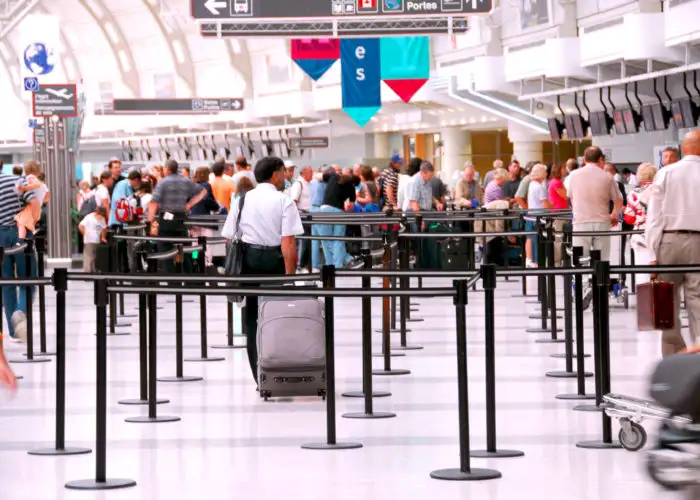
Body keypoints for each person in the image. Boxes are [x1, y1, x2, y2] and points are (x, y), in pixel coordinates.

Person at [221, 156, 304, 384]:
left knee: (251, 319)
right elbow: (288, 244)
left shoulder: (242, 199)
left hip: (248, 261)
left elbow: (229, 236)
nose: (286, 177)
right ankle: (277, 371)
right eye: (283, 172)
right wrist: (290, 278)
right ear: (275, 174)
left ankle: (259, 376)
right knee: (277, 315)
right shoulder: (283, 201)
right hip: (274, 260)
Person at [646, 130, 700, 356]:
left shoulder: (666, 172)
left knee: (666, 302)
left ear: (683, 148)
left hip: (669, 241)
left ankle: (672, 355)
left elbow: (654, 215)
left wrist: (651, 253)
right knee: (698, 301)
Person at [147, 159, 207, 272]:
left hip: (166, 220)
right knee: (184, 248)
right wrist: (189, 205)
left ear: (167, 169)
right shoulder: (185, 181)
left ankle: (172, 278)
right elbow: (203, 191)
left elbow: (153, 202)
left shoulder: (163, 182)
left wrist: (150, 221)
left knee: (165, 249)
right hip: (182, 220)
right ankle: (189, 276)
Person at [0, 169, 38, 341]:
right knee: (28, 278)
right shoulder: (16, 180)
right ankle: (21, 311)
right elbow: (34, 201)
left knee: (6, 283)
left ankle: (14, 331)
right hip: (19, 232)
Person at [567, 146, 622, 261]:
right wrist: (614, 214)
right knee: (602, 260)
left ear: (585, 159)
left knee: (579, 260)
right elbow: (618, 199)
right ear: (600, 160)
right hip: (602, 222)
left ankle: (581, 279)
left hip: (580, 222)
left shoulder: (573, 175)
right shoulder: (607, 176)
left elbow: (571, 198)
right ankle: (600, 279)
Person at [623, 162, 657, 285]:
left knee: (642, 276)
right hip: (661, 236)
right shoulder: (662, 190)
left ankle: (644, 301)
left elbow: (629, 218)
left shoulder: (634, 193)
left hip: (640, 235)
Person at [14, 160, 47, 243]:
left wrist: (24, 188)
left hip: (31, 207)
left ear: (26, 170)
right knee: (23, 222)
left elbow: (36, 184)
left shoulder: (30, 177)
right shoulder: (43, 185)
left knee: (21, 222)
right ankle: (26, 239)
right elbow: (46, 195)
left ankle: (20, 242)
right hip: (37, 207)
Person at [289, 166, 313, 270]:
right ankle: (301, 264)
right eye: (310, 172)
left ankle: (306, 263)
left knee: (308, 241)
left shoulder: (308, 184)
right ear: (304, 173)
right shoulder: (298, 183)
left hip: (308, 215)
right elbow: (293, 200)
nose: (312, 174)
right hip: (302, 215)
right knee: (303, 241)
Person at [79, 205, 108, 272]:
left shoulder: (88, 216)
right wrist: (103, 237)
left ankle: (88, 273)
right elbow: (104, 228)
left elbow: (80, 226)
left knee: (88, 257)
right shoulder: (101, 218)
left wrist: (85, 234)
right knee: (94, 257)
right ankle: (92, 273)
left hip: (88, 240)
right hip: (97, 240)